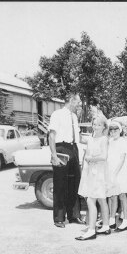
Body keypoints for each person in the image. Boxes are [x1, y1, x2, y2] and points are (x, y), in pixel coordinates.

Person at [48, 94, 84, 228]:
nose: (79, 105)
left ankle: (74, 215)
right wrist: (54, 155)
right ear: (71, 100)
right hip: (61, 148)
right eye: (78, 102)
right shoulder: (57, 114)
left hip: (73, 148)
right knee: (60, 185)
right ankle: (59, 218)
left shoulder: (74, 116)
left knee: (74, 183)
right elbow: (52, 135)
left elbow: (78, 136)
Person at [76, 115, 110, 241]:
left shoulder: (104, 139)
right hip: (90, 171)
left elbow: (104, 156)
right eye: (94, 124)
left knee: (91, 200)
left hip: (99, 172)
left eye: (99, 125)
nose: (96, 127)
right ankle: (106, 226)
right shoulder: (91, 138)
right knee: (101, 199)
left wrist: (91, 159)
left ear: (104, 127)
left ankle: (91, 231)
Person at [107, 121, 127, 232]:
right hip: (111, 170)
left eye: (116, 130)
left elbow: (122, 158)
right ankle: (111, 220)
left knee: (122, 195)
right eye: (111, 130)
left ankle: (125, 221)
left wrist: (115, 174)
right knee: (112, 196)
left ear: (120, 130)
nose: (113, 132)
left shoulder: (123, 142)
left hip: (121, 171)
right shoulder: (109, 141)